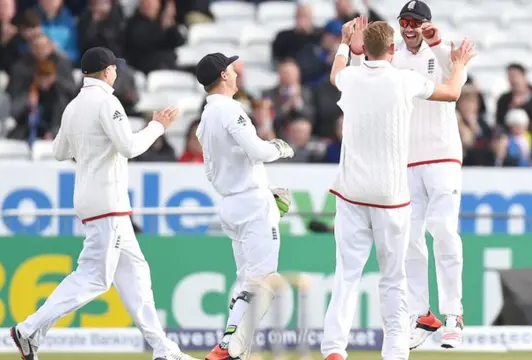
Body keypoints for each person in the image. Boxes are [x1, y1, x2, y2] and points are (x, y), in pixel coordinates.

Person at [9, 47, 198, 360]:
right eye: (115, 68)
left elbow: (58, 151)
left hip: (95, 202)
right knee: (94, 278)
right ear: (108, 70)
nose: (116, 72)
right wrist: (157, 127)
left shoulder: (73, 106)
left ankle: (165, 351)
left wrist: (90, 146)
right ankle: (28, 329)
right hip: (107, 202)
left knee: (136, 276)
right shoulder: (108, 102)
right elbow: (129, 147)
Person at [323, 17, 474, 360]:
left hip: (351, 194)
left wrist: (346, 43)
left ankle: (333, 348)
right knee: (393, 280)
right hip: (391, 198)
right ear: (393, 49)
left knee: (346, 275)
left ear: (367, 49)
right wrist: (460, 64)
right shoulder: (405, 80)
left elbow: (336, 73)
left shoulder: (350, 77)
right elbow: (451, 93)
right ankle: (394, 353)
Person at [193, 52, 295, 360]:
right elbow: (257, 151)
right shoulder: (229, 109)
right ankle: (233, 347)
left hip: (231, 204)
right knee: (264, 279)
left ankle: (227, 346)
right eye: (232, 69)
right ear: (223, 75)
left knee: (246, 281)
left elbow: (211, 171)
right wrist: (278, 148)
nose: (237, 73)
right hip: (252, 204)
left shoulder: (204, 119)